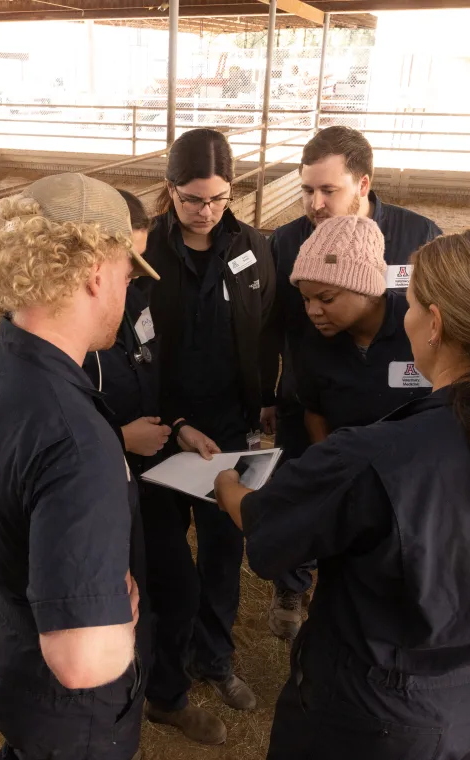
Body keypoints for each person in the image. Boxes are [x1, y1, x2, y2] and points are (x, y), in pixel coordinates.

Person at [214, 226, 470, 760]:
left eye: (412, 304)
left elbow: (270, 533)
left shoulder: (374, 456)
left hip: (378, 713)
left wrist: (227, 487)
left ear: (435, 323)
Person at [0, 173, 159, 760]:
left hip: (2, 636)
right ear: (96, 274)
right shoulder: (80, 440)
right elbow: (81, 662)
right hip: (67, 711)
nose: (127, 295)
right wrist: (118, 628)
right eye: (128, 277)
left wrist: (6, 523)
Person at [266, 125, 443, 640]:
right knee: (308, 487)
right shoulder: (287, 240)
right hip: (313, 395)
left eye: (329, 190)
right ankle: (293, 582)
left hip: (395, 395)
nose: (316, 204)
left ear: (363, 184)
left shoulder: (417, 237)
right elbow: (279, 324)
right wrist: (272, 393)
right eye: (306, 190)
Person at [82, 189, 229, 745]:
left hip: (149, 477)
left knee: (176, 586)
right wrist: (119, 438)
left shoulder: (138, 298)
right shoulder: (55, 329)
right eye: (128, 263)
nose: (137, 276)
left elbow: (152, 372)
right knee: (115, 608)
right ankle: (111, 715)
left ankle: (166, 697)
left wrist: (180, 422)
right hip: (98, 490)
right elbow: (46, 423)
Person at [141, 128, 277, 724]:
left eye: (219, 198)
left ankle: (215, 658)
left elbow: (266, 327)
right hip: (161, 430)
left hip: (230, 429)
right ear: (170, 191)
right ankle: (163, 670)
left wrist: (265, 403)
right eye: (193, 198)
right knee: (165, 558)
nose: (206, 211)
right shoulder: (147, 251)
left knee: (224, 549)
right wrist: (173, 422)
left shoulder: (252, 247)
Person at [287, 214, 431, 446]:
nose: (313, 311)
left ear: (366, 288)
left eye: (327, 299)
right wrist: (329, 463)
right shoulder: (315, 339)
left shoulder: (422, 327)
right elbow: (314, 412)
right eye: (305, 299)